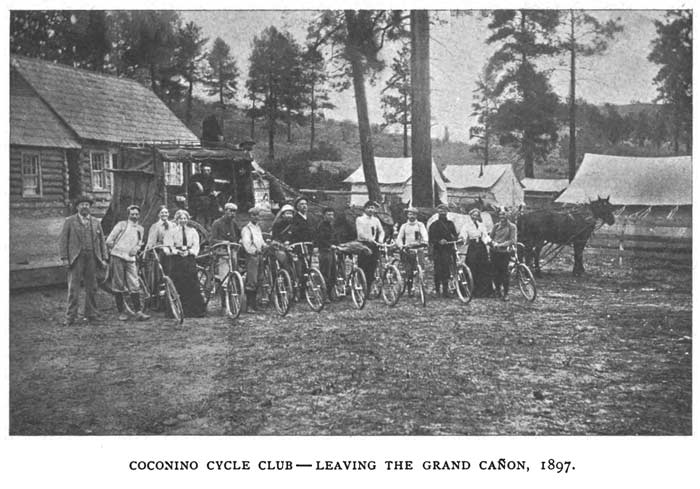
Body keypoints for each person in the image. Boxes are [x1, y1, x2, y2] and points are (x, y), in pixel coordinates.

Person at [58, 195, 108, 326]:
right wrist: (64, 258)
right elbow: (63, 241)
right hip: (76, 258)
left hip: (92, 257)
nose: (85, 207)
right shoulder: (70, 221)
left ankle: (91, 314)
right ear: (77, 207)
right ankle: (70, 317)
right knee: (73, 288)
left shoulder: (96, 222)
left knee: (92, 287)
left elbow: (102, 241)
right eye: (82, 205)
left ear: (90, 207)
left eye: (87, 205)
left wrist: (104, 258)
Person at [105, 205, 150, 321]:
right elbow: (109, 240)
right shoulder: (121, 225)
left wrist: (136, 248)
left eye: (136, 214)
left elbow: (140, 242)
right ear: (128, 214)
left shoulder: (140, 228)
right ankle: (121, 312)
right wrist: (117, 250)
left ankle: (138, 312)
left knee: (134, 284)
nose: (134, 216)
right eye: (132, 214)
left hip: (131, 259)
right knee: (118, 284)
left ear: (139, 215)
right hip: (118, 257)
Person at [163, 209, 206, 317]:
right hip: (176, 259)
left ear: (188, 219)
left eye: (185, 218)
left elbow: (196, 245)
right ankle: (175, 310)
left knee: (192, 282)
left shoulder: (192, 231)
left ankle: (193, 311)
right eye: (180, 218)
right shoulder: (171, 231)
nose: (183, 220)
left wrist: (190, 252)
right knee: (177, 282)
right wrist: (175, 251)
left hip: (189, 258)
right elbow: (168, 245)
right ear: (177, 220)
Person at [460, 208, 493, 298]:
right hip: (473, 247)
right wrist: (462, 238)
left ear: (479, 216)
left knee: (484, 267)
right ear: (470, 216)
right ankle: (472, 291)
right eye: (473, 215)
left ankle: (484, 291)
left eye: (477, 215)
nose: (475, 217)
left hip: (481, 247)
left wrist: (490, 242)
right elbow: (463, 235)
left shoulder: (481, 225)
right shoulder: (466, 225)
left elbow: (485, 236)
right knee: (472, 266)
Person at [428, 204, 458, 297]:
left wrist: (454, 239)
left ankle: (445, 290)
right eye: (441, 211)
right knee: (437, 270)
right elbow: (431, 239)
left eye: (444, 211)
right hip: (438, 250)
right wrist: (439, 241)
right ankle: (437, 290)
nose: (442, 212)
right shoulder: (434, 225)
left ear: (447, 212)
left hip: (448, 249)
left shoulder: (450, 224)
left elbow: (455, 235)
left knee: (447, 270)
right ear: (438, 212)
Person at [240, 207, 267, 312]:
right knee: (252, 279)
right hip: (252, 256)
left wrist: (265, 246)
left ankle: (255, 304)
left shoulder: (258, 228)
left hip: (260, 255)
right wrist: (253, 251)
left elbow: (261, 241)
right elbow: (247, 244)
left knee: (260, 278)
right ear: (250, 216)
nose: (256, 217)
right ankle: (249, 305)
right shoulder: (246, 229)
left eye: (258, 215)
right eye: (254, 215)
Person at [397, 207, 428, 295]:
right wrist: (401, 246)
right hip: (408, 250)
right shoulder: (404, 226)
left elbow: (424, 234)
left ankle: (422, 286)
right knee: (409, 270)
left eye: (413, 214)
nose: (412, 216)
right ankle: (410, 288)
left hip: (418, 248)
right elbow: (399, 238)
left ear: (416, 215)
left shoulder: (420, 225)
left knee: (421, 268)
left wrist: (425, 241)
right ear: (407, 215)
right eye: (410, 214)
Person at [355, 200, 385, 290]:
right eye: (369, 208)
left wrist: (380, 239)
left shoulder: (376, 220)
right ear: (365, 209)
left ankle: (368, 288)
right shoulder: (360, 219)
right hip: (364, 245)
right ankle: (362, 287)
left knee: (372, 267)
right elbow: (360, 233)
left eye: (372, 208)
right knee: (363, 266)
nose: (371, 210)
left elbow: (381, 231)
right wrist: (368, 239)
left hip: (374, 245)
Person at [490, 208, 518, 301]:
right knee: (495, 272)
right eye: (501, 215)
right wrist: (492, 243)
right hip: (494, 252)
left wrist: (501, 245)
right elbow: (491, 238)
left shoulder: (512, 227)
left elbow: (512, 240)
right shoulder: (496, 226)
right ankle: (498, 291)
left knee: (505, 273)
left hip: (504, 252)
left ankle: (506, 293)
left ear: (508, 216)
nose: (502, 217)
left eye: (504, 215)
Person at [316, 207, 339, 297]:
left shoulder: (332, 226)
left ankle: (330, 293)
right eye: (328, 215)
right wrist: (329, 245)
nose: (331, 216)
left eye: (332, 215)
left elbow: (335, 237)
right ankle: (324, 295)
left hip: (332, 251)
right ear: (324, 215)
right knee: (326, 273)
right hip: (324, 251)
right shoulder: (321, 226)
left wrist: (337, 244)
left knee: (333, 273)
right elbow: (321, 239)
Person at [188, 162, 216, 227]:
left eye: (208, 170)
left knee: (215, 202)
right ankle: (199, 222)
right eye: (205, 170)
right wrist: (197, 184)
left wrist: (213, 192)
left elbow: (212, 188)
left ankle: (211, 222)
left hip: (208, 197)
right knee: (205, 202)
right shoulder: (195, 177)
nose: (206, 172)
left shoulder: (211, 179)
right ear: (201, 170)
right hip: (196, 197)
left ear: (210, 171)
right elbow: (191, 187)